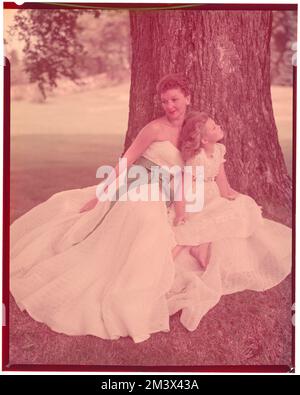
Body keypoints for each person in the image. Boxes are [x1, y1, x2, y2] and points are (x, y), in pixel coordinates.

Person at [10, 74, 193, 343]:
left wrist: (181, 208)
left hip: (163, 194)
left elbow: (186, 173)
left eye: (175, 99)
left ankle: (135, 282)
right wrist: (103, 194)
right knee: (143, 218)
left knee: (154, 225)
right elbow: (128, 159)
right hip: (138, 185)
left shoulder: (193, 131)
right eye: (165, 101)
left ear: (188, 98)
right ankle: (126, 288)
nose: (170, 106)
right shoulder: (154, 129)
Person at [171, 111, 263, 269]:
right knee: (201, 219)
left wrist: (227, 193)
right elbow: (182, 187)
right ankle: (193, 246)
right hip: (195, 195)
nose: (219, 126)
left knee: (240, 205)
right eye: (214, 128)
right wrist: (180, 212)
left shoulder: (219, 149)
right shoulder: (197, 158)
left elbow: (220, 176)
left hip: (212, 192)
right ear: (205, 140)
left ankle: (200, 246)